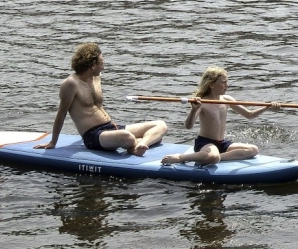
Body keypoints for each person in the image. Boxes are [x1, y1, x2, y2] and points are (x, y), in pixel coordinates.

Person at [39, 42, 167, 157]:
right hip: (93, 135)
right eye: (101, 63)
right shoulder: (71, 84)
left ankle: (140, 145)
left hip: (111, 127)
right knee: (127, 137)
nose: (104, 66)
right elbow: (61, 113)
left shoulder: (96, 76)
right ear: (92, 65)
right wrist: (53, 142)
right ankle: (140, 142)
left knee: (161, 125)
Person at [158, 67, 269, 167]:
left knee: (253, 150)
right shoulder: (203, 102)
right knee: (213, 157)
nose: (227, 85)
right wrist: (194, 109)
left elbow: (249, 115)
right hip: (205, 143)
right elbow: (188, 126)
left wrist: (267, 108)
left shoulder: (227, 99)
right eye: (223, 82)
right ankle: (181, 157)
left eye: (227, 82)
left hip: (222, 143)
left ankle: (217, 157)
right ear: (211, 85)